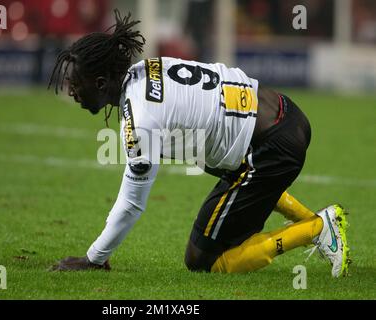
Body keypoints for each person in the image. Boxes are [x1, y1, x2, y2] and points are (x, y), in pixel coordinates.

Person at [47, 10, 351, 277]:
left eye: (75, 84)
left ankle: (317, 229)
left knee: (202, 259)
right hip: (285, 113)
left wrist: (94, 258)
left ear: (101, 84)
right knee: (206, 155)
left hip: (272, 146)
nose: (70, 91)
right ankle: (314, 222)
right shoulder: (148, 68)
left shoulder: (139, 120)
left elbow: (131, 204)